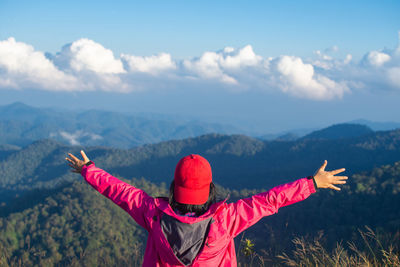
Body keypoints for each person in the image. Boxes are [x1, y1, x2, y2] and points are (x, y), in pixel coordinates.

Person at [66, 150, 347, 266]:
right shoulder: (227, 220)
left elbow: (120, 192)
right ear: (209, 190)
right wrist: (312, 183)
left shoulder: (153, 214)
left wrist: (89, 170)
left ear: (174, 187)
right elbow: (270, 200)